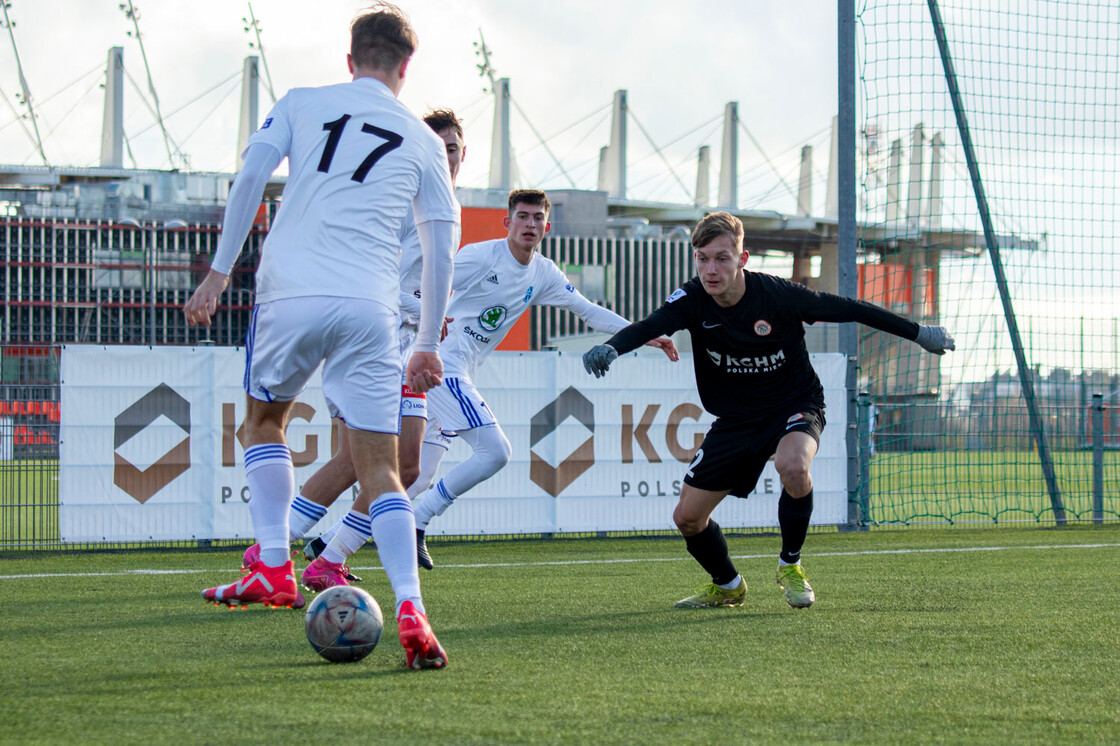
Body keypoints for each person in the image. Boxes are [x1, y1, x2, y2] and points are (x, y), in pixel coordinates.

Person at [183, 4, 457, 670]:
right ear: (406, 66)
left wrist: (219, 272)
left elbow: (251, 176)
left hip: (291, 291)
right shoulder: (423, 140)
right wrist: (426, 341)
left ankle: (273, 566)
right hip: (370, 306)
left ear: (350, 57)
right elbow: (441, 239)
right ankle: (411, 605)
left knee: (264, 422)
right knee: (384, 469)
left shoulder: (304, 101)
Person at [582, 211, 955, 609]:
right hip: (737, 420)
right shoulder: (691, 299)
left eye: (722, 258)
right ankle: (727, 584)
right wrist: (614, 347)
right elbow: (651, 323)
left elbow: (852, 308)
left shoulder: (777, 295)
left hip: (794, 405)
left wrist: (920, 334)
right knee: (687, 519)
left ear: (742, 259)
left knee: (794, 466)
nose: (711, 269)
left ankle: (790, 565)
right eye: (703, 258)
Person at [239, 108, 466, 591]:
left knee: (367, 462)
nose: (447, 157)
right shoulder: (406, 201)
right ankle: (303, 553)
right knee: (397, 465)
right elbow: (379, 276)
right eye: (439, 147)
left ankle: (288, 551)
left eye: (454, 149)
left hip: (400, 346)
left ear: (464, 154)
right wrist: (424, 317)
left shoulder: (445, 205)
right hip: (377, 345)